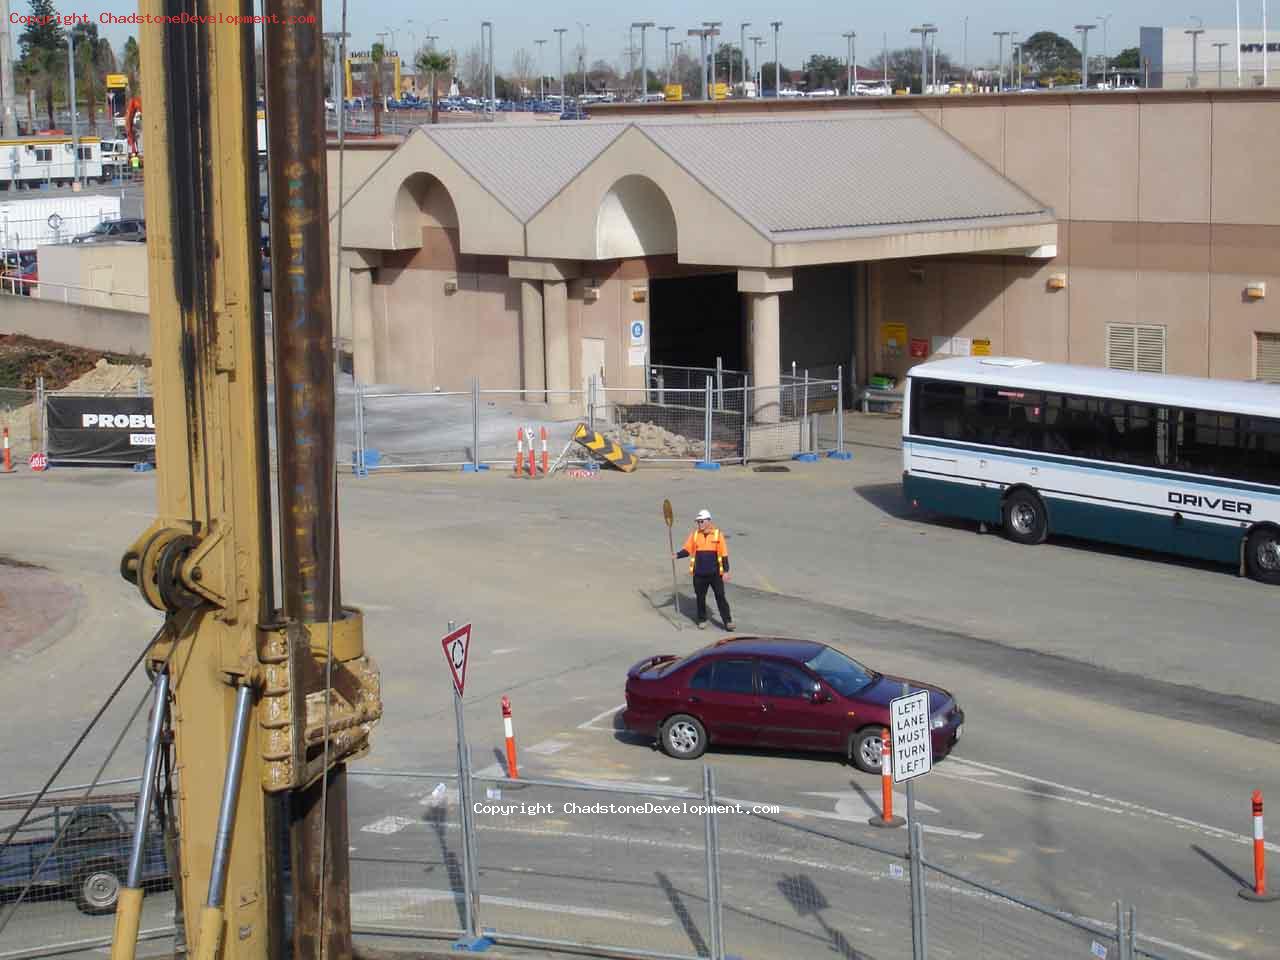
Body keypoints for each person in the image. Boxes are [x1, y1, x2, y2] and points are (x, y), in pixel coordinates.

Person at [673, 509, 735, 631]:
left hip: (715, 574)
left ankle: (728, 621)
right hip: (699, 574)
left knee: (720, 596)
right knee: (700, 597)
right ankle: (702, 619)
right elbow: (687, 550)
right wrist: (677, 555)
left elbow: (724, 554)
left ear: (708, 521)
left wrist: (726, 571)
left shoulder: (717, 534)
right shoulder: (695, 535)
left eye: (701, 521)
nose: (699, 524)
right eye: (698, 521)